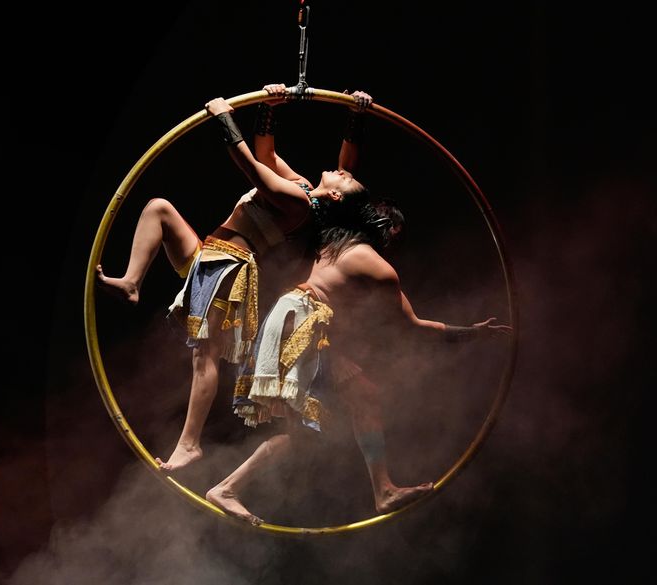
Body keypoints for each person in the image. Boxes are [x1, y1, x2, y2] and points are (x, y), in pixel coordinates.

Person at [96, 83, 374, 472]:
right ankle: (132, 282)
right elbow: (266, 154)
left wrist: (224, 117)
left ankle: (190, 443)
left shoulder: (300, 203)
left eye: (344, 178)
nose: (339, 171)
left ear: (337, 197)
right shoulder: (303, 187)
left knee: (204, 353)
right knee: (159, 209)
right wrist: (269, 107)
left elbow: (251, 166)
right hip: (208, 254)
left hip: (230, 265)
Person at [207, 199, 513, 525]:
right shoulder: (378, 267)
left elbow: (406, 321)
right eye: (394, 235)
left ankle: (230, 487)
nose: (393, 244)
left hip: (294, 319)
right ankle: (380, 490)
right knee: (348, 406)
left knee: (340, 411)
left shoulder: (331, 245)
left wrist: (472, 331)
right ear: (385, 229)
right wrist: (472, 334)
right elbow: (413, 328)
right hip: (301, 321)